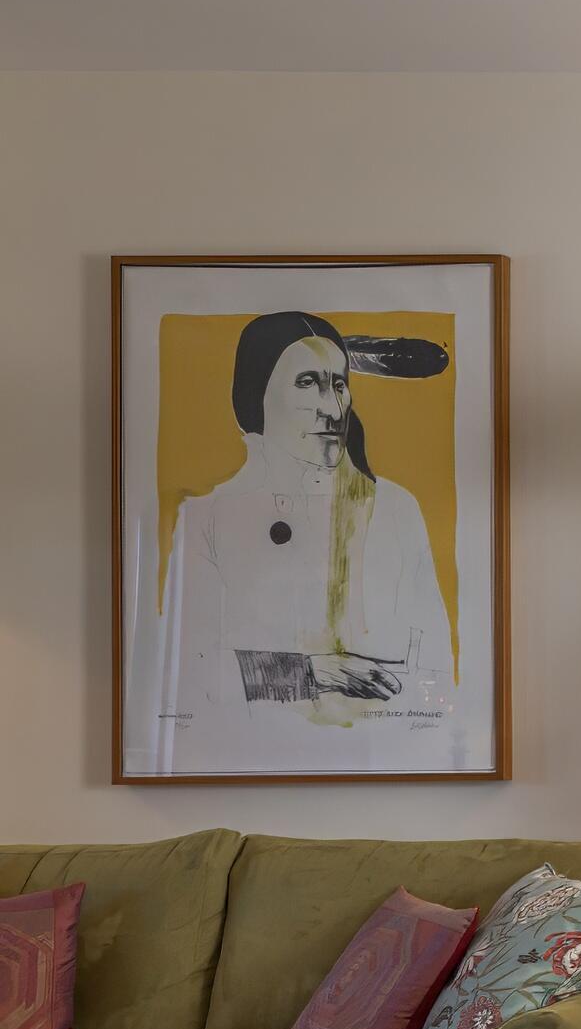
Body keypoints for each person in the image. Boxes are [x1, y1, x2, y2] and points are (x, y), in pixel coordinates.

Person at [153, 312, 452, 748]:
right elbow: (188, 671)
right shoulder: (207, 518)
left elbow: (435, 669)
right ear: (256, 396)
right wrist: (312, 672)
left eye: (338, 384)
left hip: (380, 754)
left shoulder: (395, 510)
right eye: (307, 383)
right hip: (241, 753)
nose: (332, 409)